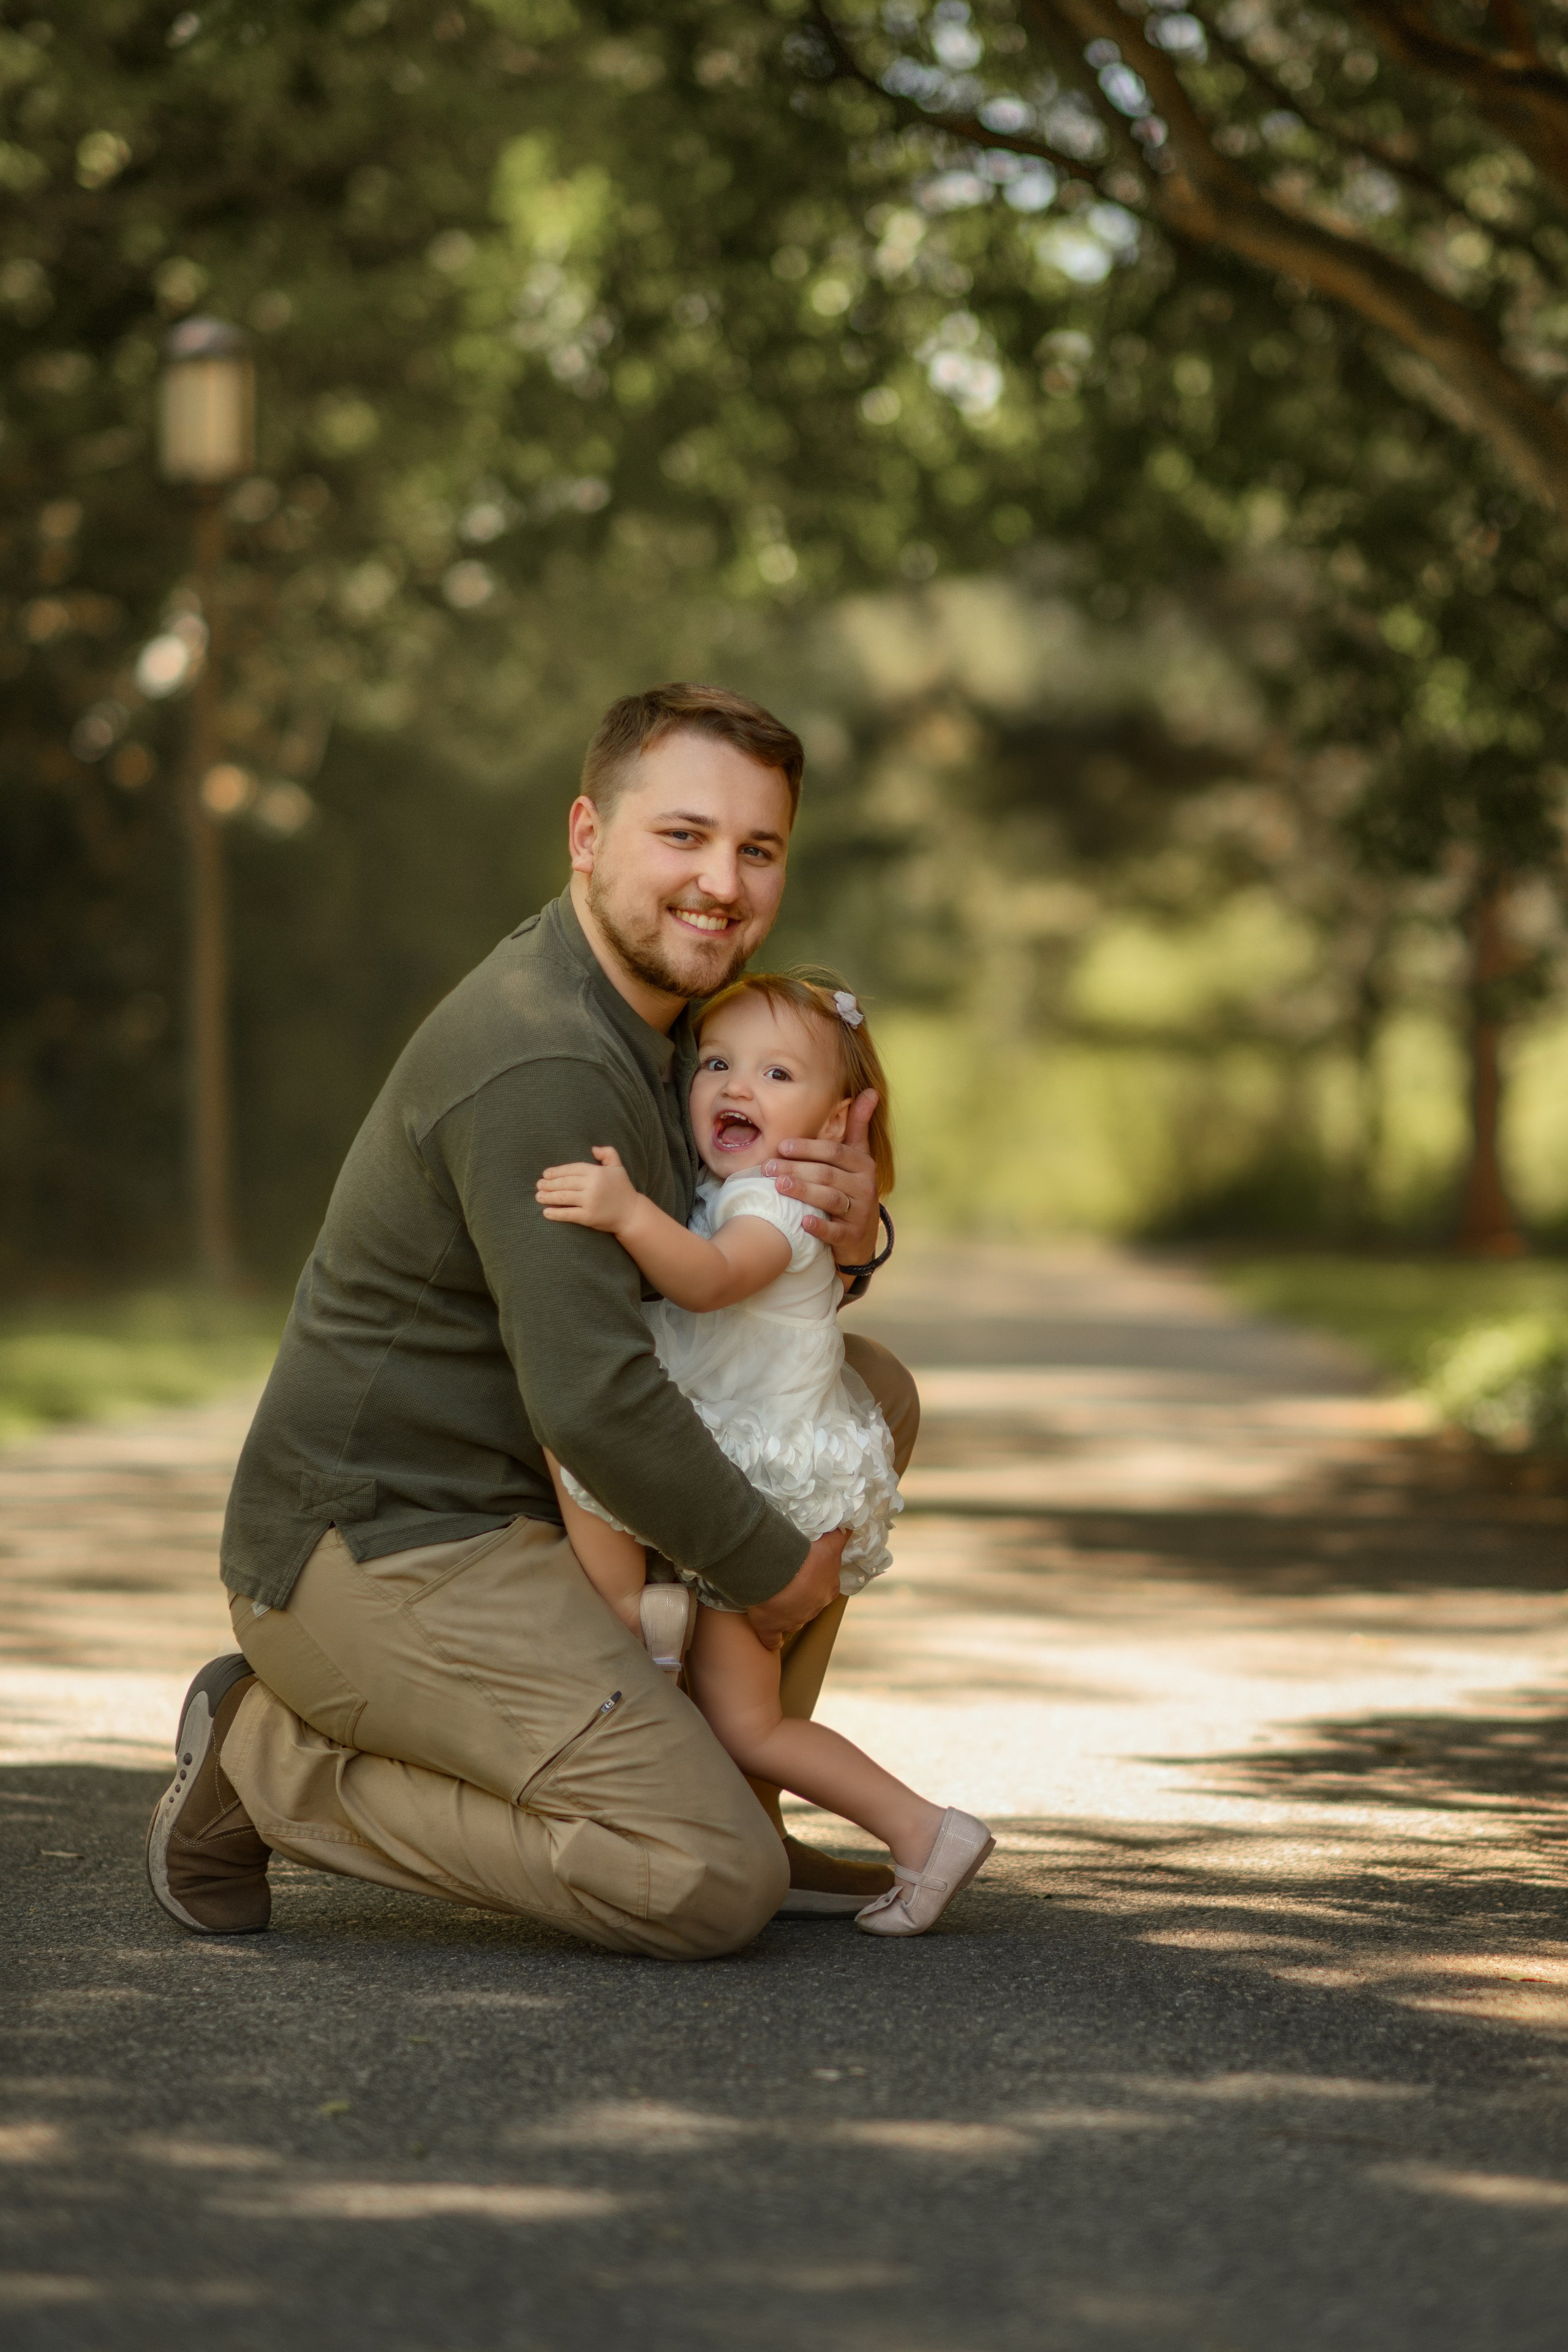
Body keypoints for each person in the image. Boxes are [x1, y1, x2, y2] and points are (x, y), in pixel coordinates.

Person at [146, 684, 933, 1959]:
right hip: (388, 1538)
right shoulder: (545, 1060)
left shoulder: (685, 1025)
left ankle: (730, 1778)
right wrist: (763, 1568)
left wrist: (846, 1235)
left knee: (865, 1392)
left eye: (757, 848)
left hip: (534, 1490)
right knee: (696, 1884)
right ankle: (264, 1761)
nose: (720, 883)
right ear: (586, 836)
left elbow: (725, 1276)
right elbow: (595, 1403)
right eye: (681, 836)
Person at [537, 971, 993, 1937]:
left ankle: (636, 1618)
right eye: (716, 1063)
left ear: (837, 1125)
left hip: (765, 1484)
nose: (736, 1086)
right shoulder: (730, 1189)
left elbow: (705, 1282)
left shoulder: (778, 1208)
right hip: (758, 1464)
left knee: (573, 1436)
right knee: (752, 1726)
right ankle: (923, 1833)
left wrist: (625, 1213)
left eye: (777, 1072)